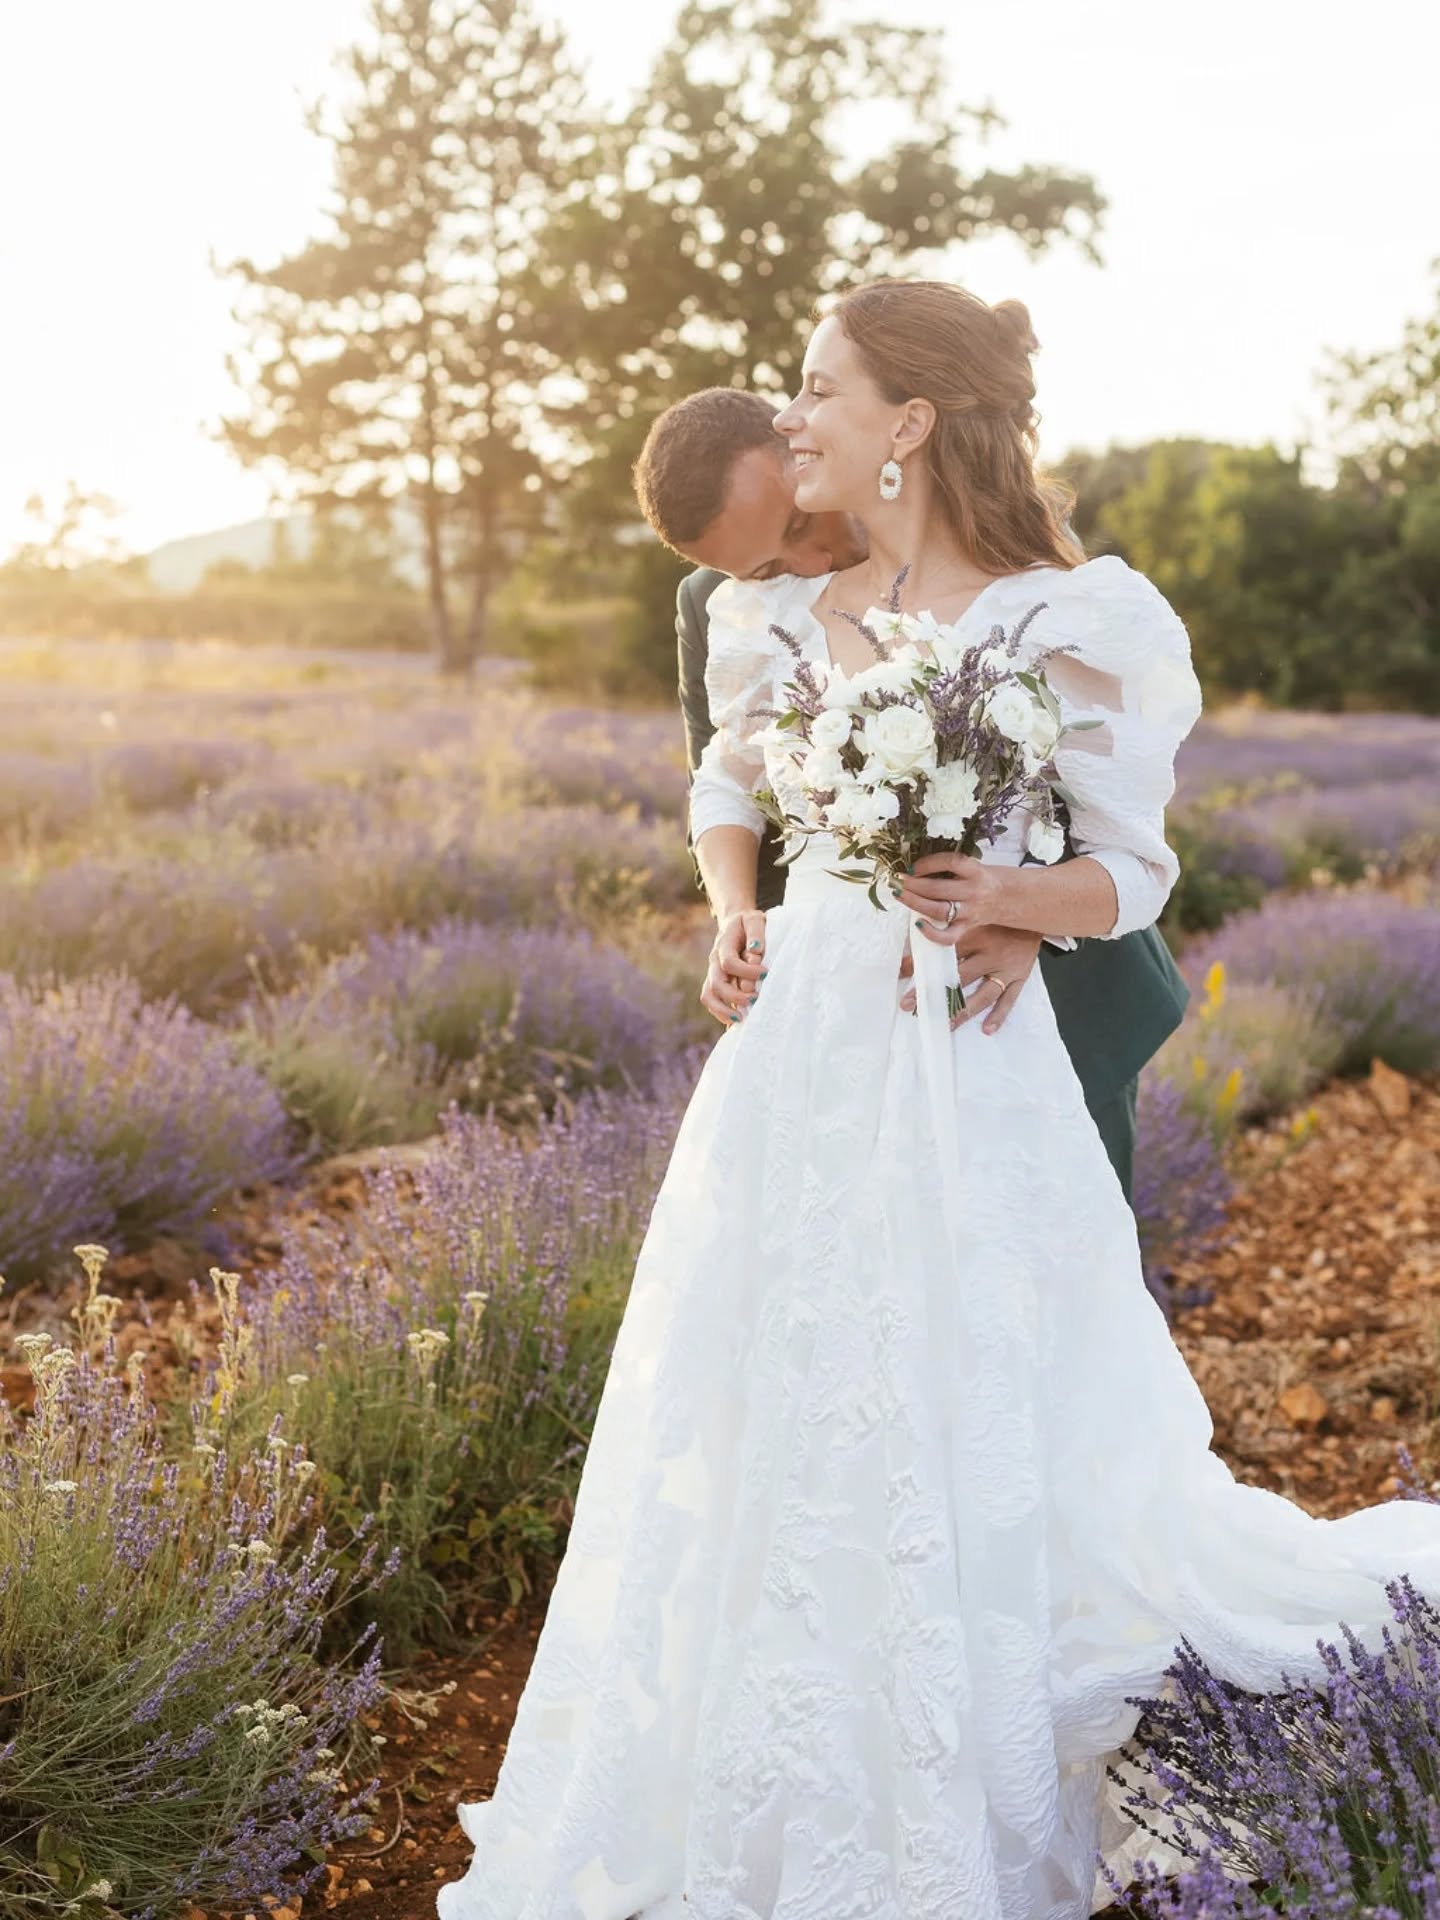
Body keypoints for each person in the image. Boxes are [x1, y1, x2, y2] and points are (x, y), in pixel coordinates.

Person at [436, 280, 1440, 1920]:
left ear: (907, 420)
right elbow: (733, 778)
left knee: (966, 1388)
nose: (795, 411)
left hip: (965, 1051)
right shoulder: (770, 615)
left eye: (820, 385)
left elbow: (1130, 870)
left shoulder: (1067, 616)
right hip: (803, 1056)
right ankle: (774, 1749)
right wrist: (738, 910)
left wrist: (1013, 903)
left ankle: (958, 1739)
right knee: (778, 1386)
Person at [633, 385, 1187, 1199]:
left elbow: (1095, 776)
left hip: (1051, 997)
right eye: (765, 567)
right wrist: (734, 918)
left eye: (798, 526)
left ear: (807, 449)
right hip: (850, 1020)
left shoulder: (1001, 541)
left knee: (1051, 1244)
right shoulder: (728, 609)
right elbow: (729, 782)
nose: (807, 565)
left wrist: (1027, 918)